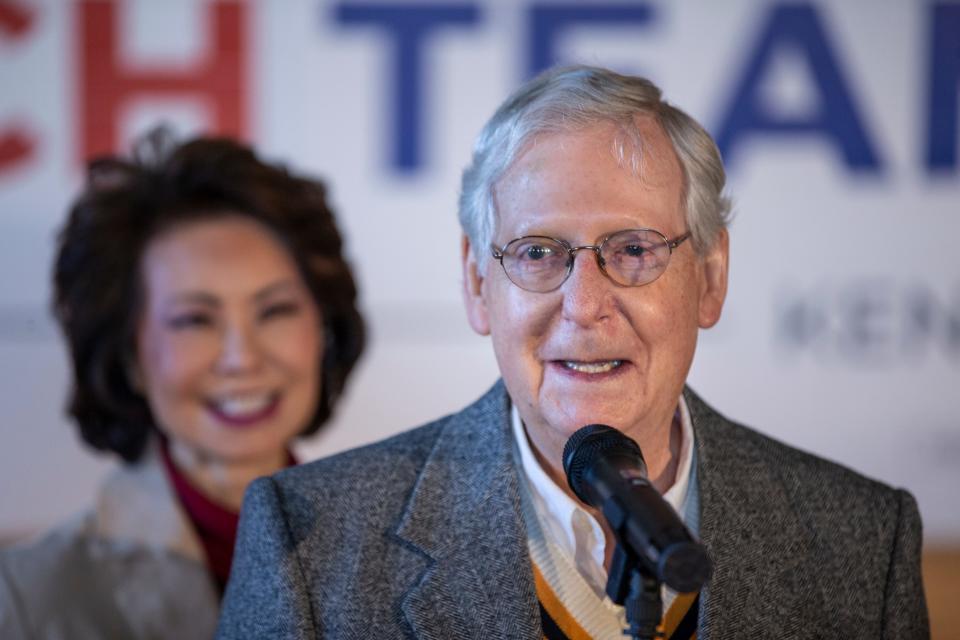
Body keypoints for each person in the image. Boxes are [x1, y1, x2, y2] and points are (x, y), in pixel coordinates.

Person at [216, 66, 928, 639]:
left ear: (710, 278)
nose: (585, 305)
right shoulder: (309, 540)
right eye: (536, 252)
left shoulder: (863, 543)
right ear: (475, 283)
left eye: (634, 250)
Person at [0, 130, 365, 639]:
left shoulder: (398, 549)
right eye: (195, 320)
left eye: (275, 310)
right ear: (128, 356)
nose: (242, 359)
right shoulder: (26, 596)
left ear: (323, 328)